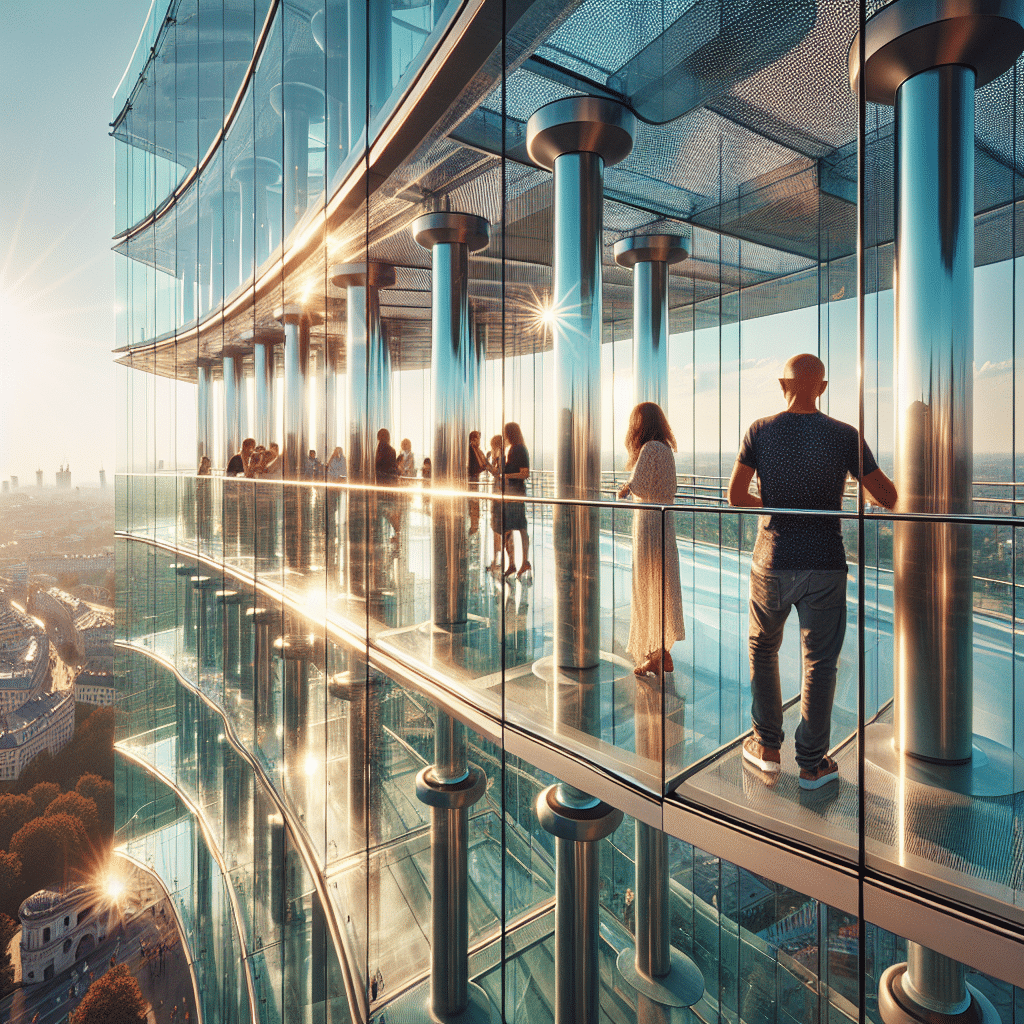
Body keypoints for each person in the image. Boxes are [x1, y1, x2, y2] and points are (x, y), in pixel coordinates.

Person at [728, 353, 897, 790]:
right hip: (825, 561)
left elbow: (735, 496)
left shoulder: (759, 431)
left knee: (763, 649)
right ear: (821, 388)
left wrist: (777, 508)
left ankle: (766, 747)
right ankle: (812, 764)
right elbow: (887, 495)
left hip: (773, 558)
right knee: (820, 662)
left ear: (783, 384)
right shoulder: (845, 435)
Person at [617, 402, 685, 677]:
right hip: (663, 524)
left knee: (646, 586)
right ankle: (661, 653)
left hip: (647, 526)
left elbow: (640, 485)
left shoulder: (650, 448)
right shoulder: (665, 448)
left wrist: (625, 488)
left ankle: (655, 653)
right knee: (660, 585)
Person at [501, 422, 531, 579]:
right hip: (515, 493)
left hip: (515, 494)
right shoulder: (516, 449)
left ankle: (516, 563)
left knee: (514, 528)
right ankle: (520, 562)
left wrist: (506, 476)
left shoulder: (518, 449)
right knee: (519, 528)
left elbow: (525, 473)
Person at [375, 428, 402, 543]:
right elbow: (392, 469)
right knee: (392, 511)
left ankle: (383, 535)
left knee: (384, 510)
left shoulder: (377, 451)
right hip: (390, 486)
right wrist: (398, 469)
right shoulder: (391, 450)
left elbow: (379, 468)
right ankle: (397, 533)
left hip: (380, 486)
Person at [485, 434, 505, 573]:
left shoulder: (501, 458)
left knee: (497, 529)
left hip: (498, 497)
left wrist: (488, 465)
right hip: (498, 496)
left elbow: (497, 473)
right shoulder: (501, 457)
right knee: (497, 530)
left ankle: (497, 561)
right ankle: (496, 560)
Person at [467, 430, 488, 534]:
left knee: (475, 501)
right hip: (471, 479)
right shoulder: (469, 450)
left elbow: (483, 464)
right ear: (473, 440)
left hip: (476, 478)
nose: (479, 441)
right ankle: (473, 525)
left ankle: (475, 524)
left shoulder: (477, 450)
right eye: (478, 439)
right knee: (473, 501)